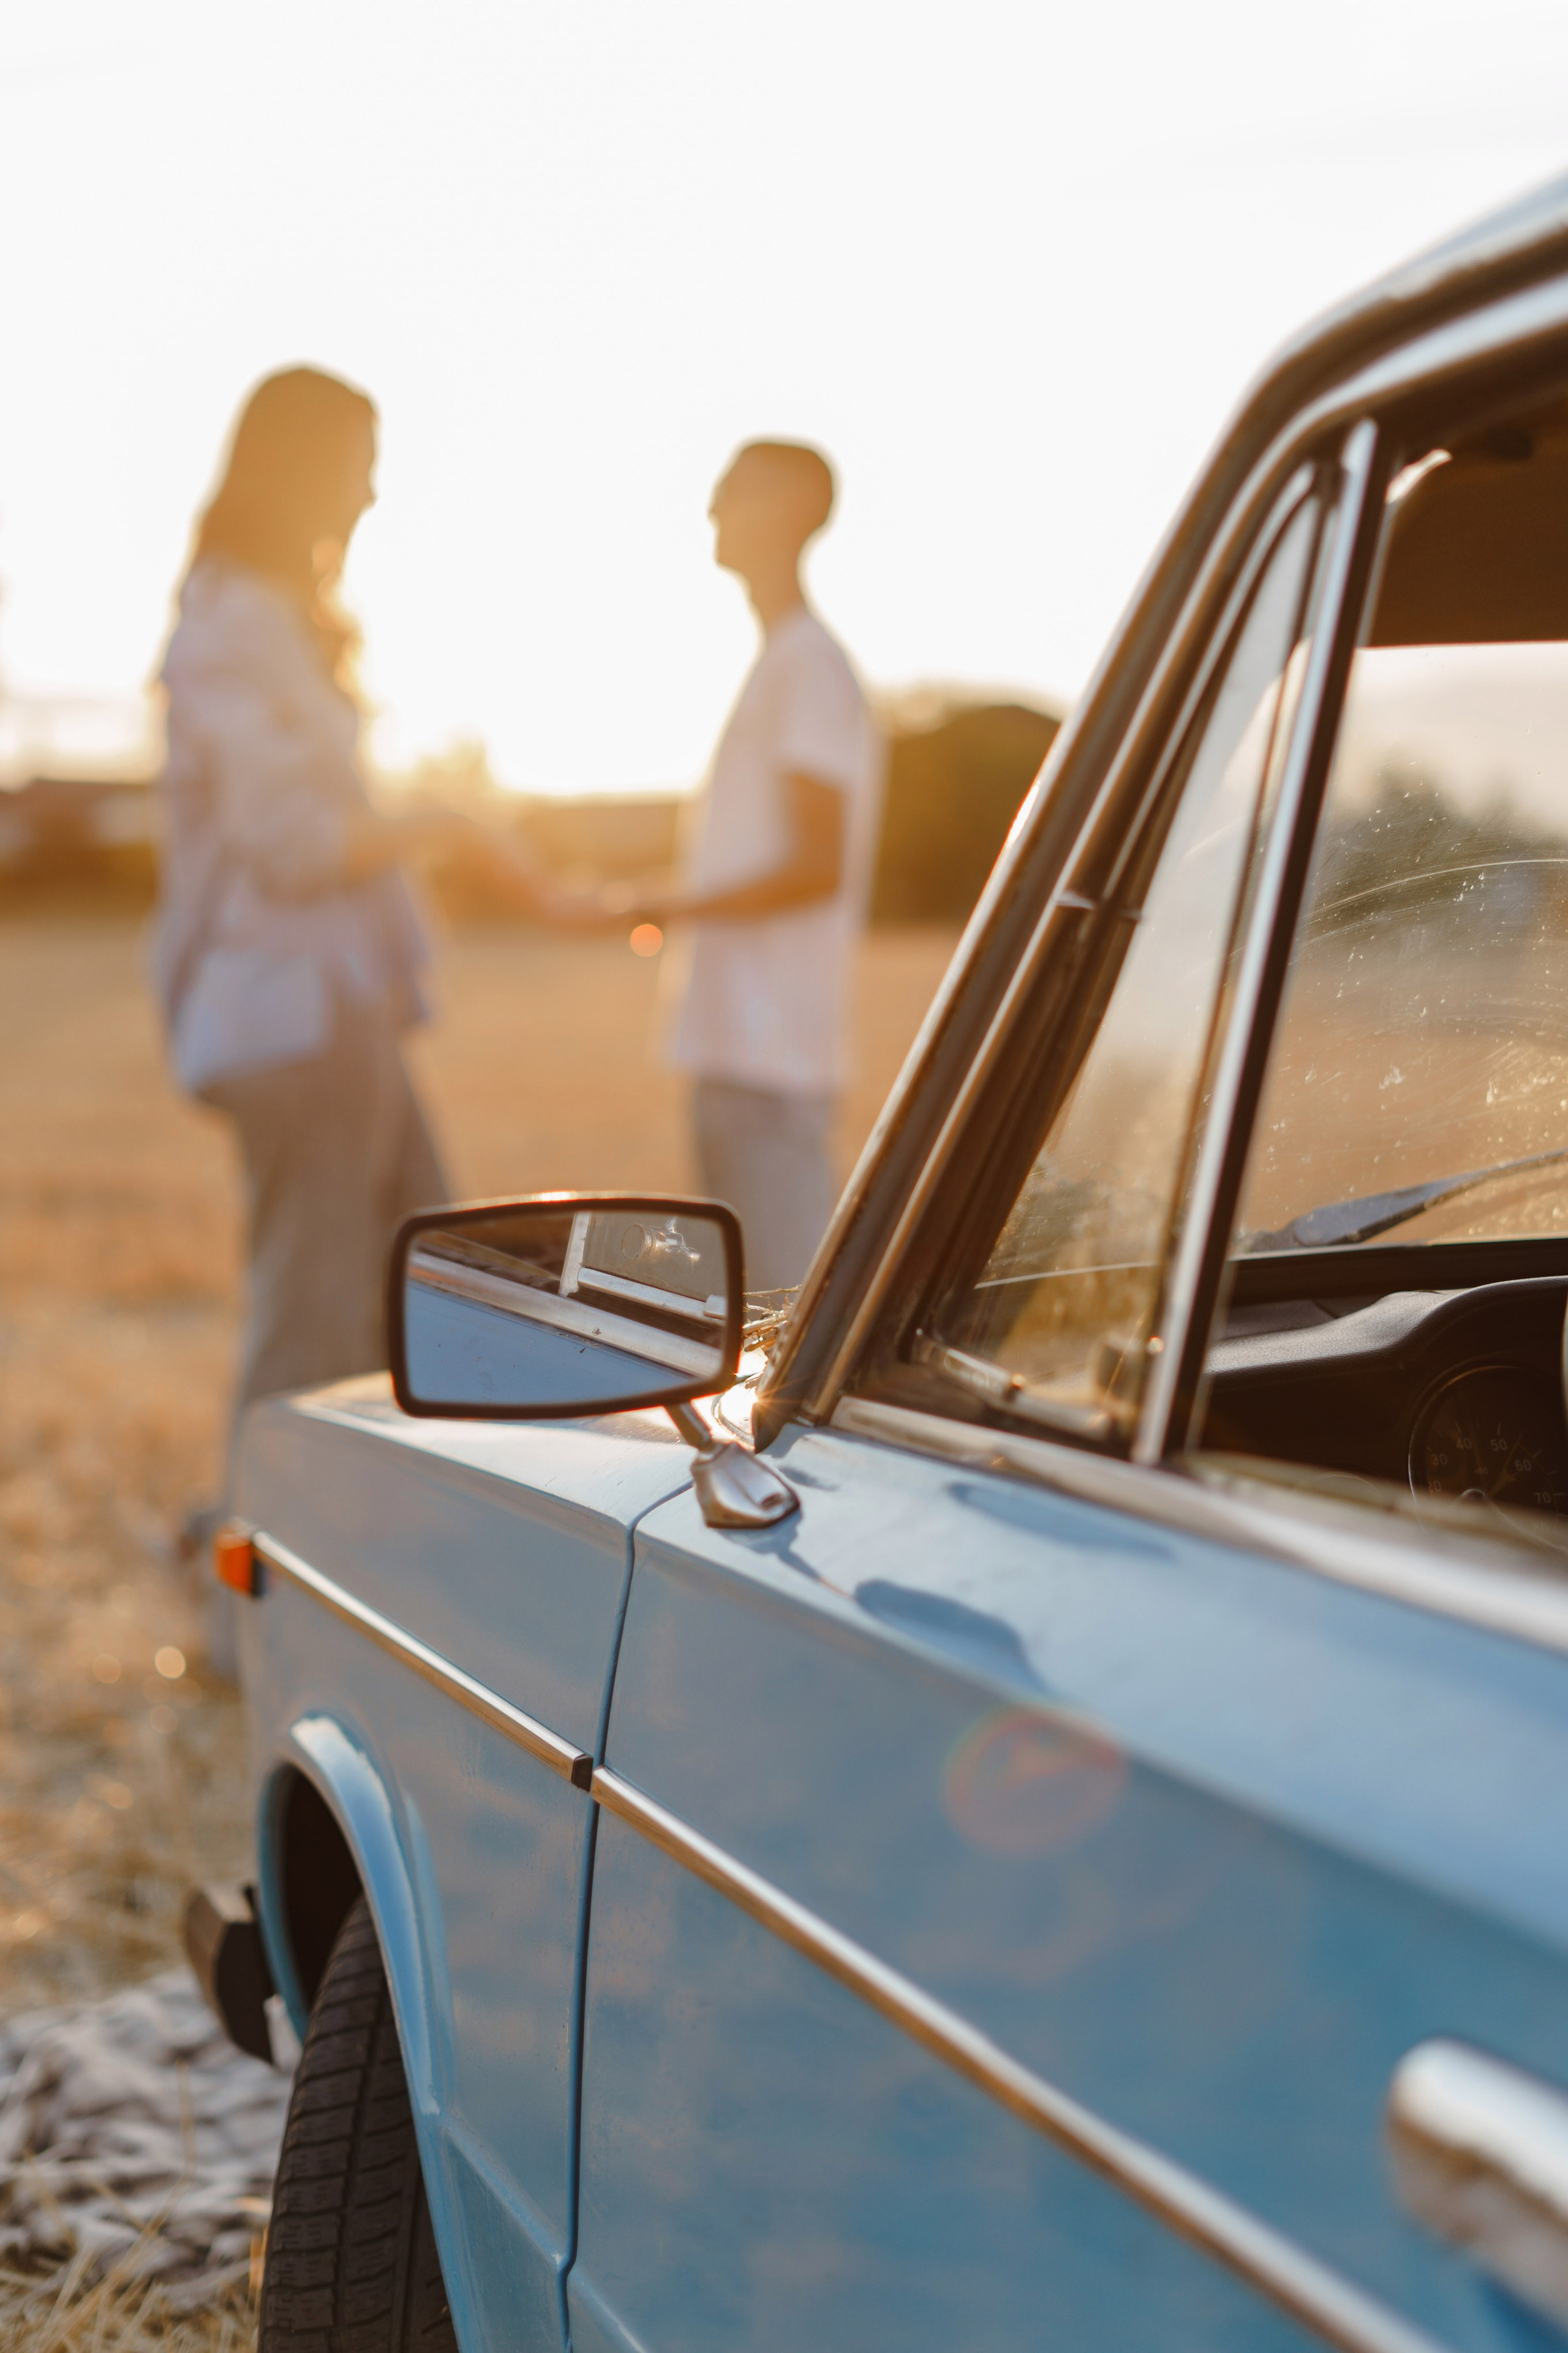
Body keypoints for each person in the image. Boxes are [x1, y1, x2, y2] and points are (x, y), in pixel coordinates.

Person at [153, 366, 526, 1502]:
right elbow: (290, 843)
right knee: (315, 1317)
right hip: (294, 1020)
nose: (371, 493)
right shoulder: (229, 624)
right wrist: (440, 823)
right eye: (360, 462)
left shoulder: (269, 621)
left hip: (340, 1011)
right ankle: (246, 1590)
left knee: (424, 1291)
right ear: (301, 468)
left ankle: (390, 1544)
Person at [628, 440, 883, 1293]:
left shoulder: (807, 664)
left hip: (767, 1048)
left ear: (789, 509)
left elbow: (816, 863)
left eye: (731, 490)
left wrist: (667, 902)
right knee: (759, 1308)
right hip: (747, 1049)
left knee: (786, 1311)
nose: (710, 507)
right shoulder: (782, 662)